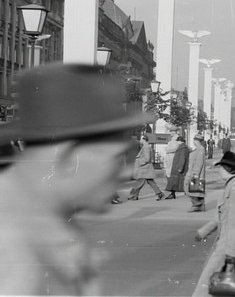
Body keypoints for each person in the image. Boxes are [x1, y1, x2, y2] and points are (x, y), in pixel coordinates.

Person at [0, 63, 154, 295]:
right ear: (69, 159)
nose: (125, 172)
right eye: (117, 157)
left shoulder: (41, 223)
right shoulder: (12, 246)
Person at [193, 151, 235, 297]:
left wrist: (231, 254)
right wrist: (204, 231)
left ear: (228, 169)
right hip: (229, 244)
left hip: (229, 246)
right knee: (233, 285)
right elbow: (220, 218)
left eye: (221, 168)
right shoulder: (230, 187)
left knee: (206, 284)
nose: (219, 171)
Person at [128, 135, 164, 201]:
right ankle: (159, 193)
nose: (140, 140)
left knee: (139, 182)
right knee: (150, 182)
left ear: (144, 139)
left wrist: (139, 162)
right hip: (146, 169)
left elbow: (147, 159)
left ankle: (134, 195)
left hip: (144, 168)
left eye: (141, 139)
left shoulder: (146, 147)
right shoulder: (146, 147)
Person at [185, 135, 206, 212]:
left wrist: (196, 174)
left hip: (195, 172)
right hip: (194, 172)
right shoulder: (198, 149)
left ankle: (196, 204)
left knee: (189, 188)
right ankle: (201, 205)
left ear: (196, 141)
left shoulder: (200, 149)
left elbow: (199, 162)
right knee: (198, 190)